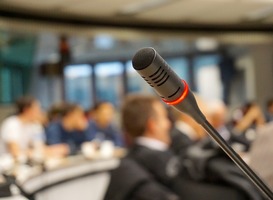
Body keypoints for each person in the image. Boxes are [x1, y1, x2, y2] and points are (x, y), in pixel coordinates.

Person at [105, 94, 261, 200]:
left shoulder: (134, 162)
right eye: (164, 118)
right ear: (153, 125)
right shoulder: (146, 165)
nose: (169, 124)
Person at [0, 96, 46, 162]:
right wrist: (32, 152)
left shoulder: (35, 125)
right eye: (37, 109)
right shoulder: (11, 124)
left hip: (26, 162)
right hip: (7, 165)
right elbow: (15, 152)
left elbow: (40, 148)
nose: (40, 112)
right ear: (26, 110)